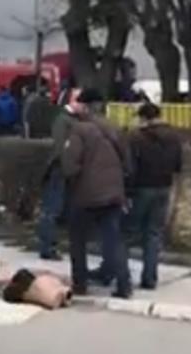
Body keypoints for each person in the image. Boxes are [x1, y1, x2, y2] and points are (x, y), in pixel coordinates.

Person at [62, 89, 133, 299]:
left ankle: (80, 283)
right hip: (113, 193)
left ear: (84, 106)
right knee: (113, 239)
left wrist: (73, 184)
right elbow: (127, 162)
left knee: (78, 239)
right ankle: (123, 284)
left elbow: (69, 165)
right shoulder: (114, 128)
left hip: (86, 195)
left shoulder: (79, 130)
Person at [127, 103, 182, 289]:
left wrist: (127, 191)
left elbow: (131, 167)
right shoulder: (173, 136)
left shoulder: (137, 137)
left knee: (127, 232)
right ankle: (150, 278)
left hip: (141, 189)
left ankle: (119, 274)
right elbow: (178, 165)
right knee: (153, 234)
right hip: (164, 187)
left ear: (144, 118)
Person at [37, 94, 79, 260]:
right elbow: (60, 148)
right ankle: (47, 246)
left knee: (56, 208)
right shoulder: (64, 120)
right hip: (60, 170)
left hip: (63, 169)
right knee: (52, 209)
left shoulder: (68, 120)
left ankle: (49, 243)